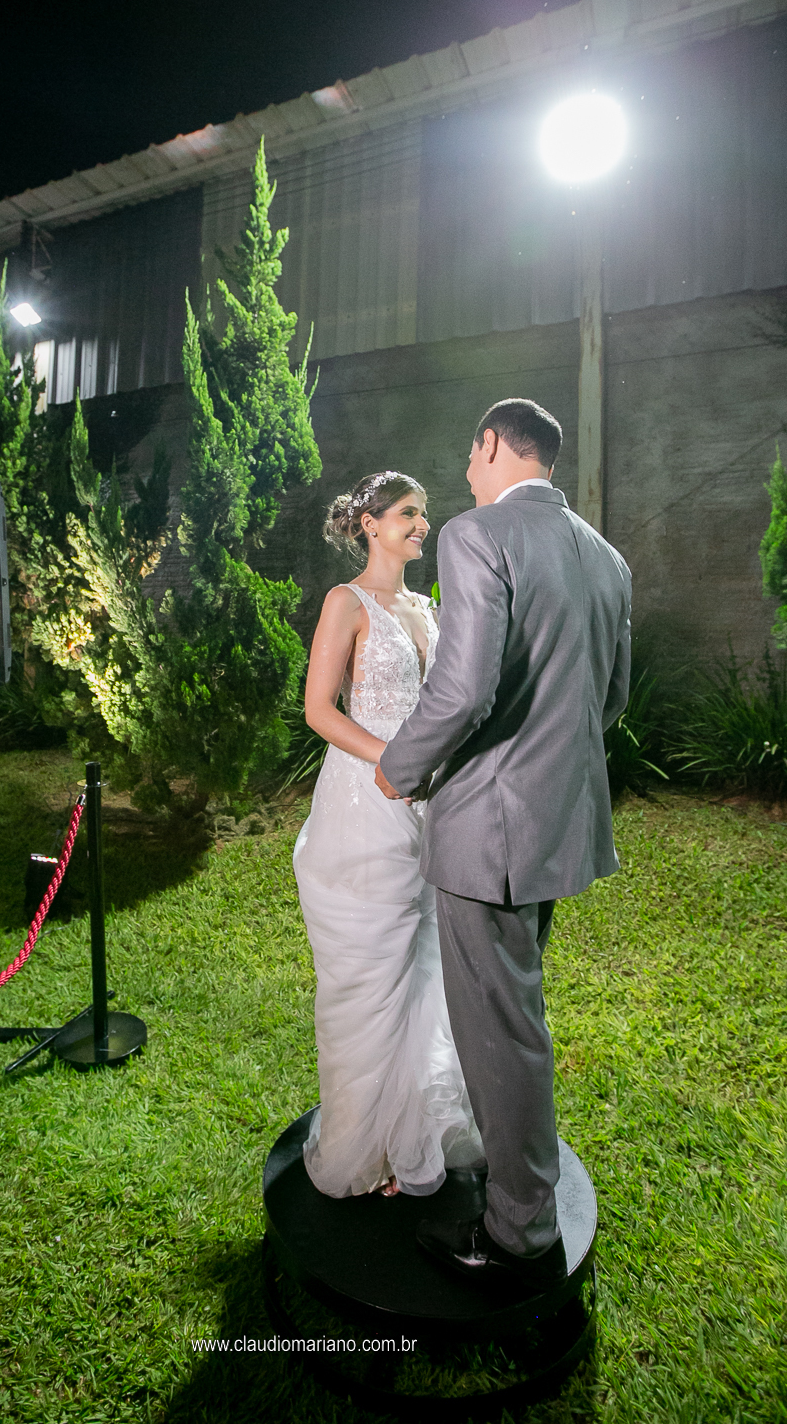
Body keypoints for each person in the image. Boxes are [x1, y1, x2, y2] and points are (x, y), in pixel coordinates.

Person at [375, 398, 631, 1294]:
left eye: (470, 453)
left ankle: (518, 1227)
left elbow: (463, 689)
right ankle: (518, 1177)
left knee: (501, 1031)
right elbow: (609, 699)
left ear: (492, 444)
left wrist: (400, 768)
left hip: (489, 830)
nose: (465, 473)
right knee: (515, 1018)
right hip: (560, 825)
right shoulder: (607, 557)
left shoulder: (478, 535)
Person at [294, 470, 483, 1200]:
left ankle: (418, 1134)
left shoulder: (426, 608)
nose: (421, 524)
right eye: (408, 512)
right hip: (365, 803)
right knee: (371, 978)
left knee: (427, 969)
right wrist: (394, 763)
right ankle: (363, 1147)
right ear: (370, 524)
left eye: (423, 513)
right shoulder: (346, 602)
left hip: (432, 807)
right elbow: (319, 709)